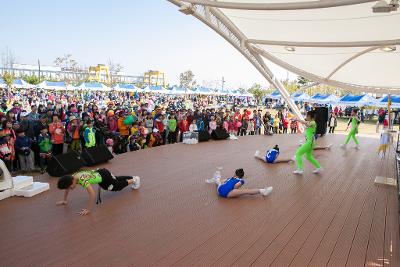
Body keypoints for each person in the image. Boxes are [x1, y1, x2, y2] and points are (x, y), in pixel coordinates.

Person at [56, 168, 141, 216]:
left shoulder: (82, 180)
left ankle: (134, 180)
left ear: (71, 182)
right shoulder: (72, 177)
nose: (70, 189)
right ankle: (133, 177)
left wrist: (88, 209)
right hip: (100, 172)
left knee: (115, 187)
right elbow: (66, 189)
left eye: (70, 187)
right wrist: (65, 200)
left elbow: (92, 193)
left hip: (104, 176)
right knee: (114, 179)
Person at [206, 168, 273, 198]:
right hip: (226, 194)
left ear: (235, 174)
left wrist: (220, 182)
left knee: (219, 182)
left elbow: (222, 181)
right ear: (242, 176)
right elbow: (236, 187)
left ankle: (216, 178)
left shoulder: (231, 178)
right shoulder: (241, 181)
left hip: (219, 190)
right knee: (246, 191)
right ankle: (263, 191)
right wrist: (236, 189)